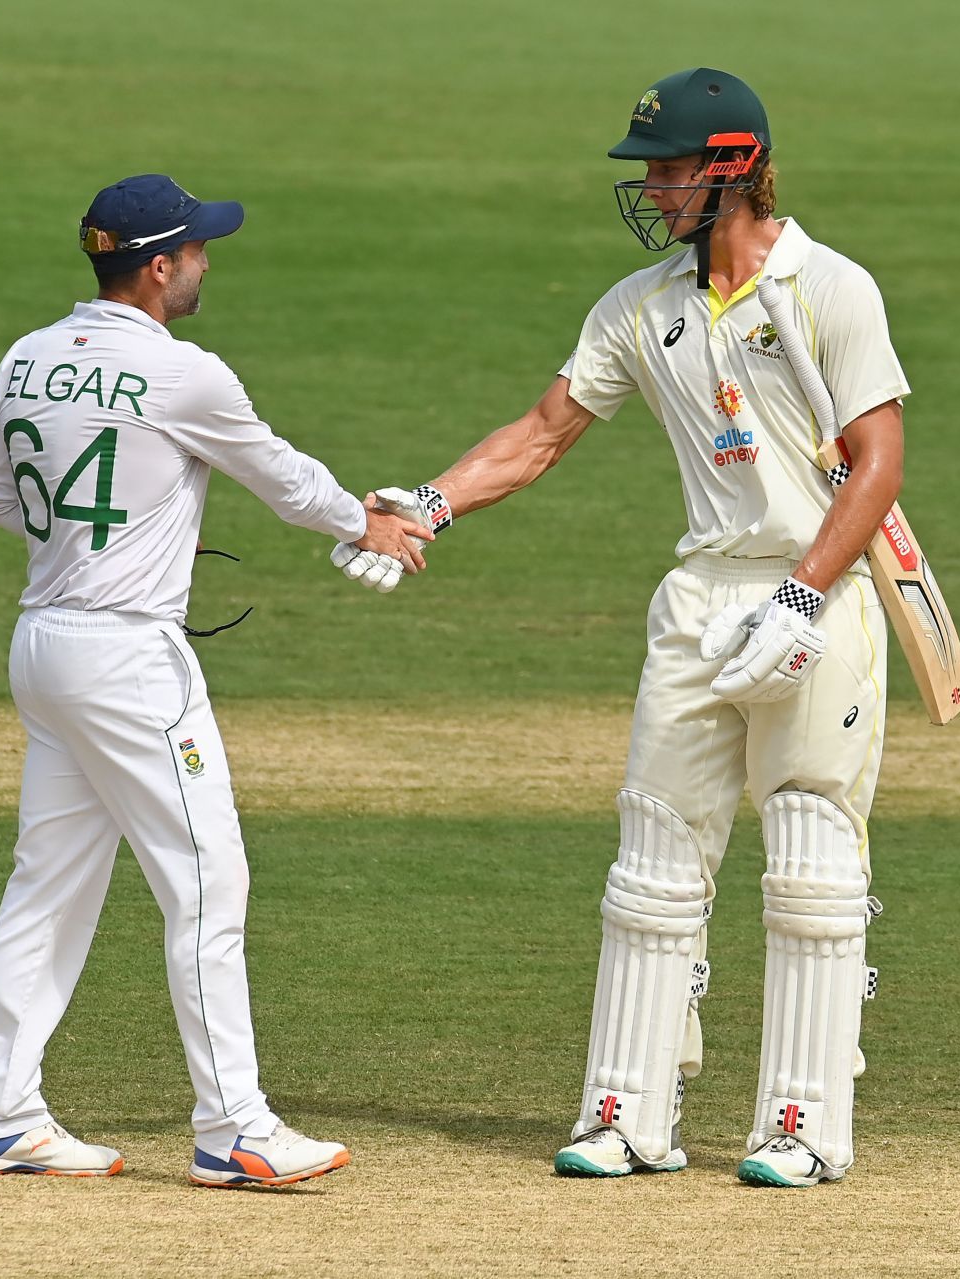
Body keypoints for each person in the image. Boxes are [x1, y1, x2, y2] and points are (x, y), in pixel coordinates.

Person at [337, 69, 909, 1187]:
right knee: (655, 853)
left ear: (733, 165)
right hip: (700, 598)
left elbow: (878, 465)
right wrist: (431, 504)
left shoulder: (831, 287)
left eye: (667, 166)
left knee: (808, 851)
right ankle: (627, 1111)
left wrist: (803, 594)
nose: (650, 187)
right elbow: (542, 432)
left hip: (816, 592)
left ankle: (803, 1121)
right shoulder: (641, 307)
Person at [0, 173, 431, 1188]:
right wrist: (372, 520)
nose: (210, 262)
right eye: (200, 250)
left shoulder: (26, 356)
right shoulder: (184, 374)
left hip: (42, 642)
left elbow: (1, 502)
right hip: (130, 656)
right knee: (209, 879)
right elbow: (284, 478)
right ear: (159, 265)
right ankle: (234, 1127)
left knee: (48, 883)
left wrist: (115, 523)